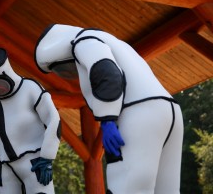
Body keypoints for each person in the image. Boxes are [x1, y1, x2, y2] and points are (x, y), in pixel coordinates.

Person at [34, 24, 184, 194]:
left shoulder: (84, 42)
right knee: (167, 189)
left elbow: (107, 72)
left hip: (137, 112)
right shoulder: (116, 43)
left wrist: (107, 119)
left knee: (128, 186)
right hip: (170, 111)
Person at [0, 48, 61, 194]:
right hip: (5, 167)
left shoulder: (30, 88)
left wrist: (47, 158)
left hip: (34, 162)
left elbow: (53, 120)